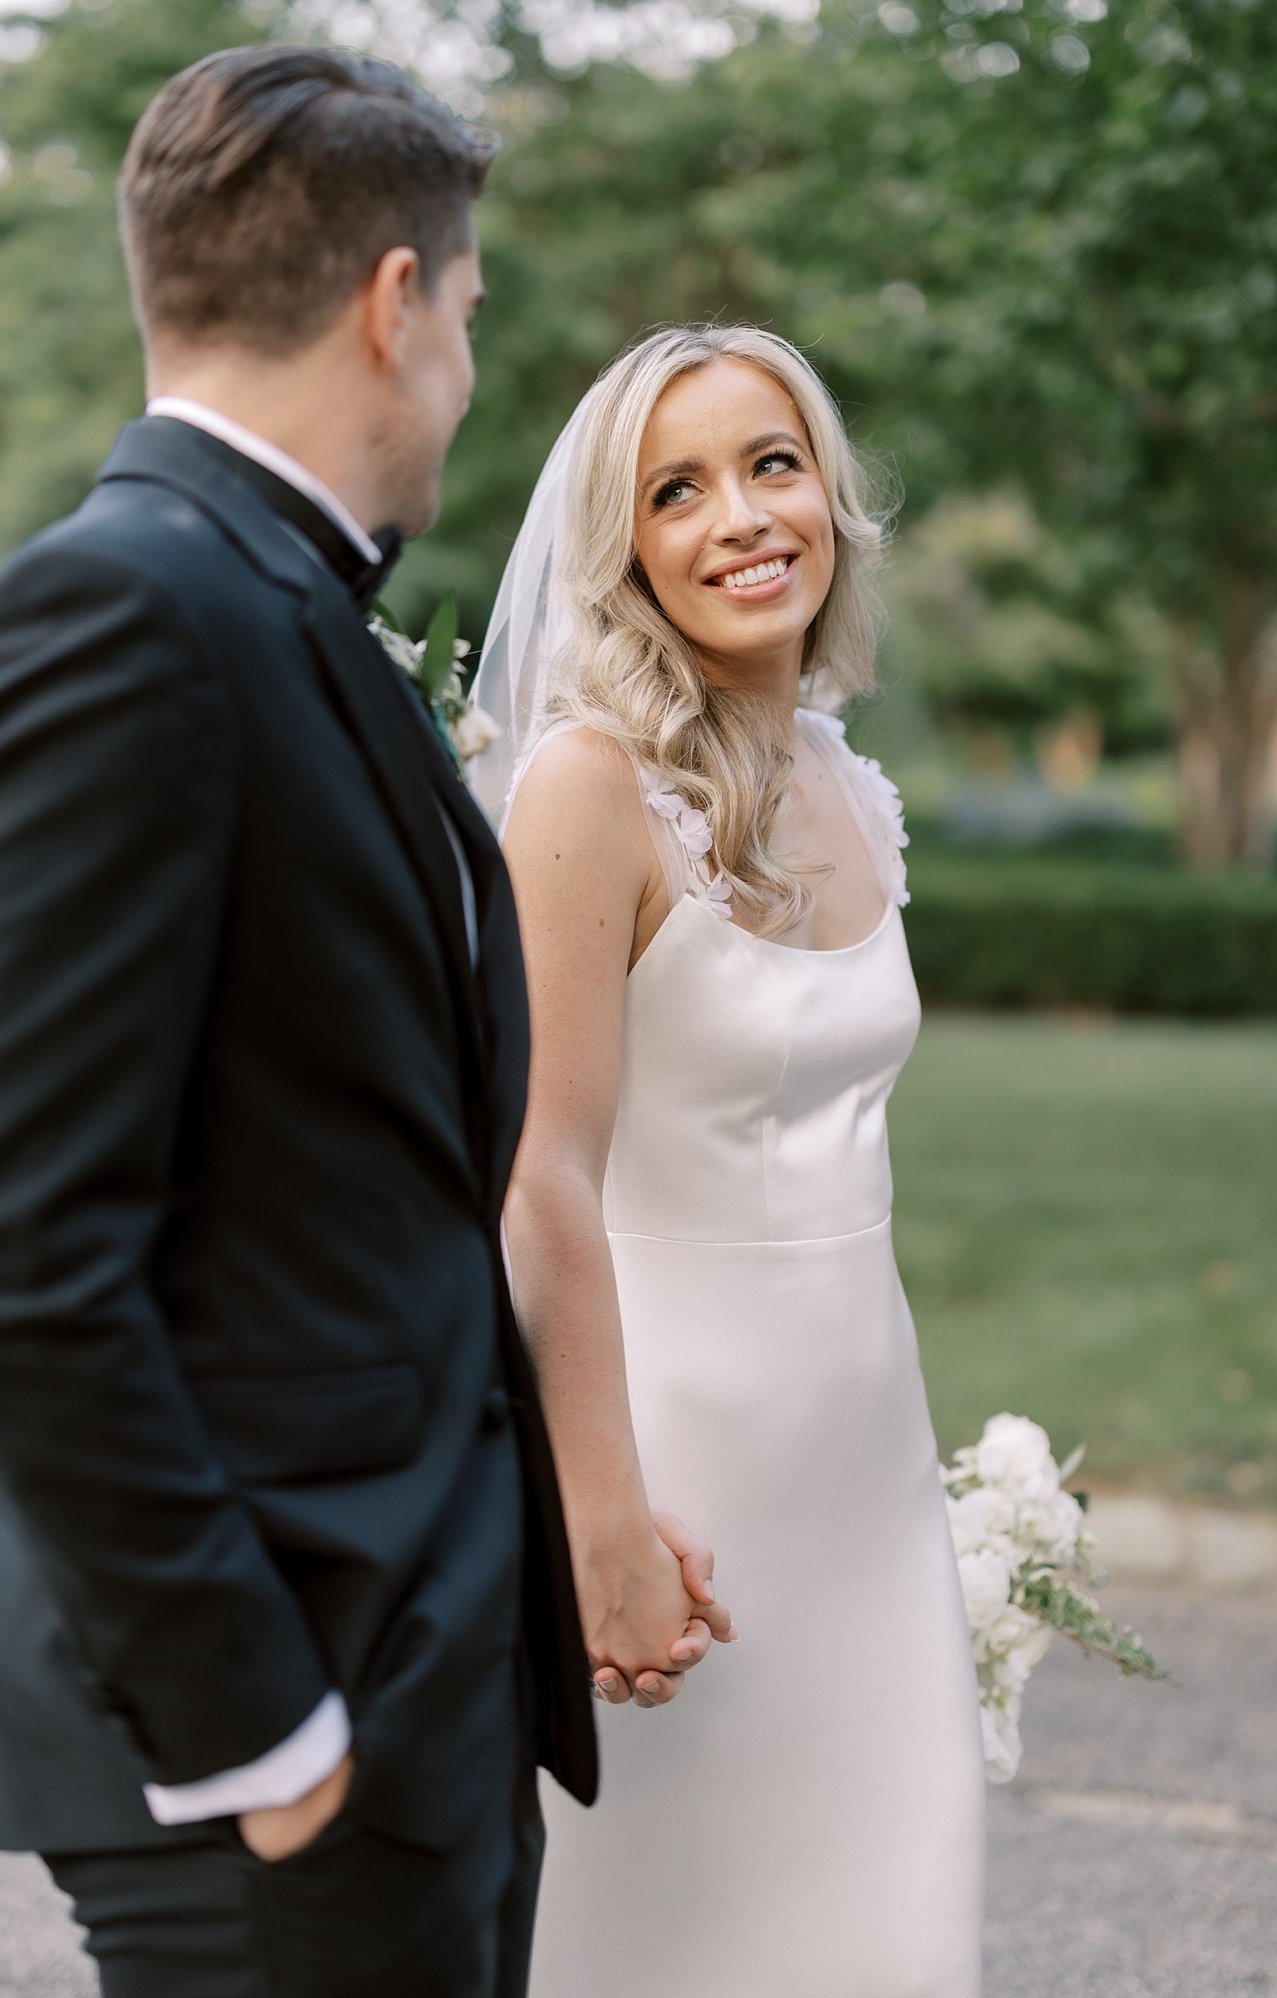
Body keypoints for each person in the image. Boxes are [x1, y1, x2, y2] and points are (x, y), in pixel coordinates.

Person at [0, 46, 728, 1998]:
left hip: (401, 1709)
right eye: (467, 315)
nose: (460, 373)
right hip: (276, 1750)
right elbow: (8, 1258)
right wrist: (264, 1737)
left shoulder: (274, 604)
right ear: (394, 304)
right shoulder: (121, 615)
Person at [473, 324, 988, 1995]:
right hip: (675, 1474)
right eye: (676, 489)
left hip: (866, 1472)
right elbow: (540, 1173)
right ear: (620, 549)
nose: (741, 516)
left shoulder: (852, 782)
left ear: (828, 494)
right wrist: (601, 1517)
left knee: (893, 1934)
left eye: (772, 463)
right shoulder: (587, 787)